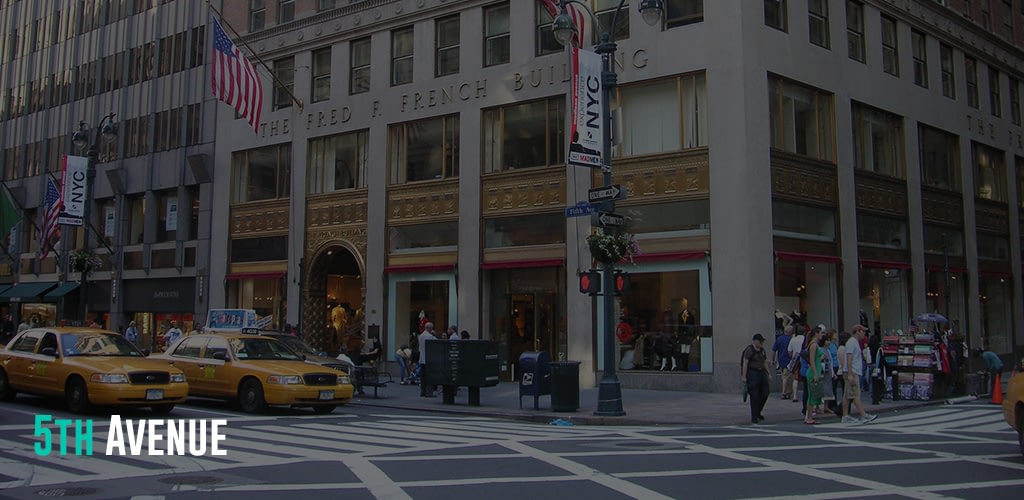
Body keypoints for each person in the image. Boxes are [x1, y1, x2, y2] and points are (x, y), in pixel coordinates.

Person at [842, 325, 877, 424]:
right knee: (855, 394)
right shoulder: (852, 342)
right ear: (858, 331)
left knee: (847, 395)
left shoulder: (854, 342)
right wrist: (850, 374)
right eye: (863, 332)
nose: (864, 334)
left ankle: (845, 416)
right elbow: (849, 358)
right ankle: (863, 415)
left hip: (852, 371)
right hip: (852, 372)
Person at [741, 333, 771, 425]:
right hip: (752, 373)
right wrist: (744, 376)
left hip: (761, 372)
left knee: (765, 393)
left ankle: (758, 411)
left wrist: (768, 373)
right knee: (754, 395)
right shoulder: (749, 350)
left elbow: (765, 362)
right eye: (760, 341)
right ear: (755, 341)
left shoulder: (762, 350)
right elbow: (745, 363)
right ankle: (754, 416)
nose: (761, 343)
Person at [804, 328, 824, 424]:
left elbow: (815, 359)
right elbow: (811, 360)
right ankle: (809, 417)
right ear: (816, 334)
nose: (822, 335)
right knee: (812, 395)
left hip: (816, 370)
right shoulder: (813, 345)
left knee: (814, 395)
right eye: (821, 333)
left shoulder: (814, 345)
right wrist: (815, 373)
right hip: (813, 372)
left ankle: (810, 415)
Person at [771, 325, 794, 399]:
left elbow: (774, 350)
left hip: (781, 360)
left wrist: (773, 359)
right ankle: (784, 392)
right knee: (786, 377)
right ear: (791, 332)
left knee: (783, 376)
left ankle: (787, 392)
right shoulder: (791, 339)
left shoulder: (779, 339)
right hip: (789, 361)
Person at [418, 322, 438, 397]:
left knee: (423, 378)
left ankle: (422, 392)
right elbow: (436, 343)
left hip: (422, 359)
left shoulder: (420, 336)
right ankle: (429, 393)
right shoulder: (430, 337)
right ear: (430, 328)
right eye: (432, 328)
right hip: (429, 360)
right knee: (430, 377)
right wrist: (434, 334)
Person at [787, 325, 806, 404]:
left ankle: (795, 395)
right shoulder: (805, 339)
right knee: (806, 378)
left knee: (795, 378)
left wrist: (792, 357)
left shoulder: (793, 339)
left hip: (796, 359)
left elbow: (789, 351)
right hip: (805, 359)